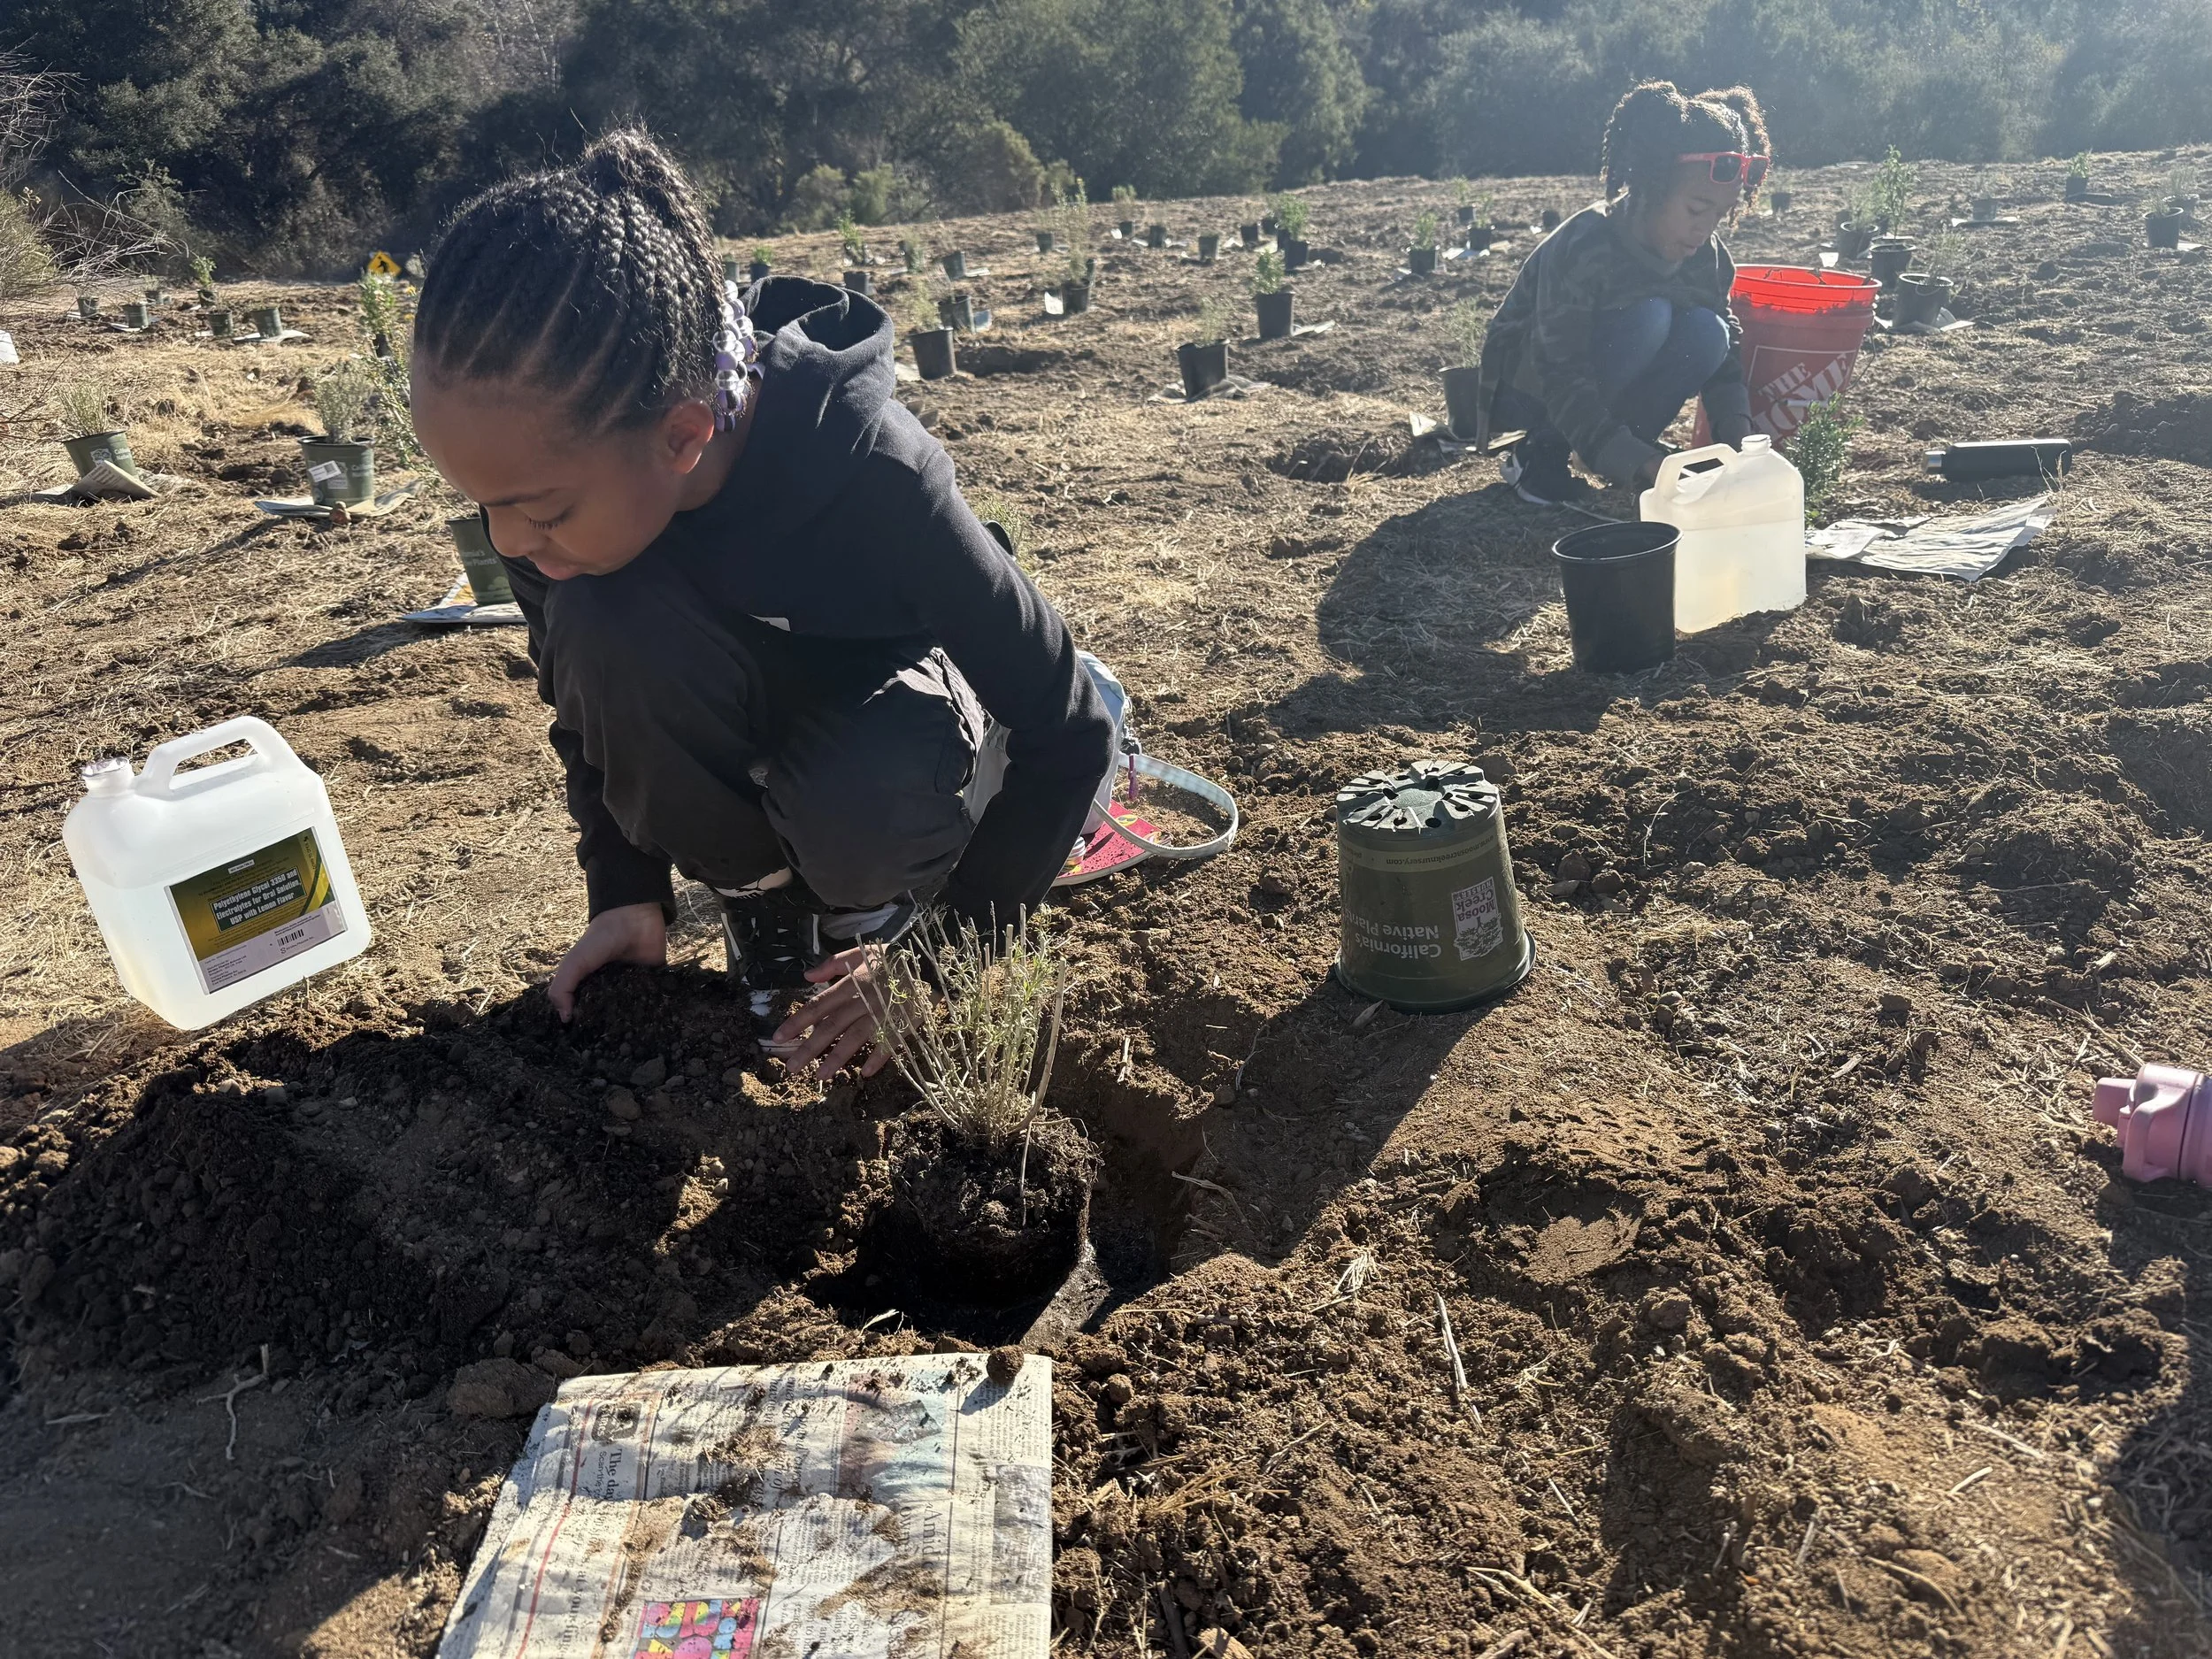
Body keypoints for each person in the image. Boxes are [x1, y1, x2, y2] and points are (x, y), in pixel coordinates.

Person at [407, 130, 1115, 1078]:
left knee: (864, 808)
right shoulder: (551, 498)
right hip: (734, 697)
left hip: (889, 708)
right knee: (597, 625)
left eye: (532, 513)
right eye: (480, 506)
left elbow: (1068, 728)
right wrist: (624, 890)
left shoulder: (874, 478)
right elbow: (586, 712)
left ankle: (888, 888)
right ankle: (765, 901)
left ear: (683, 436)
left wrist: (942, 960)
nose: (503, 545)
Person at [1475, 81, 1769, 506]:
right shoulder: (1586, 246)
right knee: (1650, 318)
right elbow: (1561, 370)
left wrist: (1742, 442)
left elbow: (1723, 362)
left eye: (1720, 215)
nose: (1704, 229)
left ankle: (1626, 451)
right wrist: (1647, 465)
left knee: (1710, 333)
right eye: (1695, 209)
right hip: (1528, 387)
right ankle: (1540, 454)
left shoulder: (1709, 259)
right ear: (1654, 185)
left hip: (1590, 382)